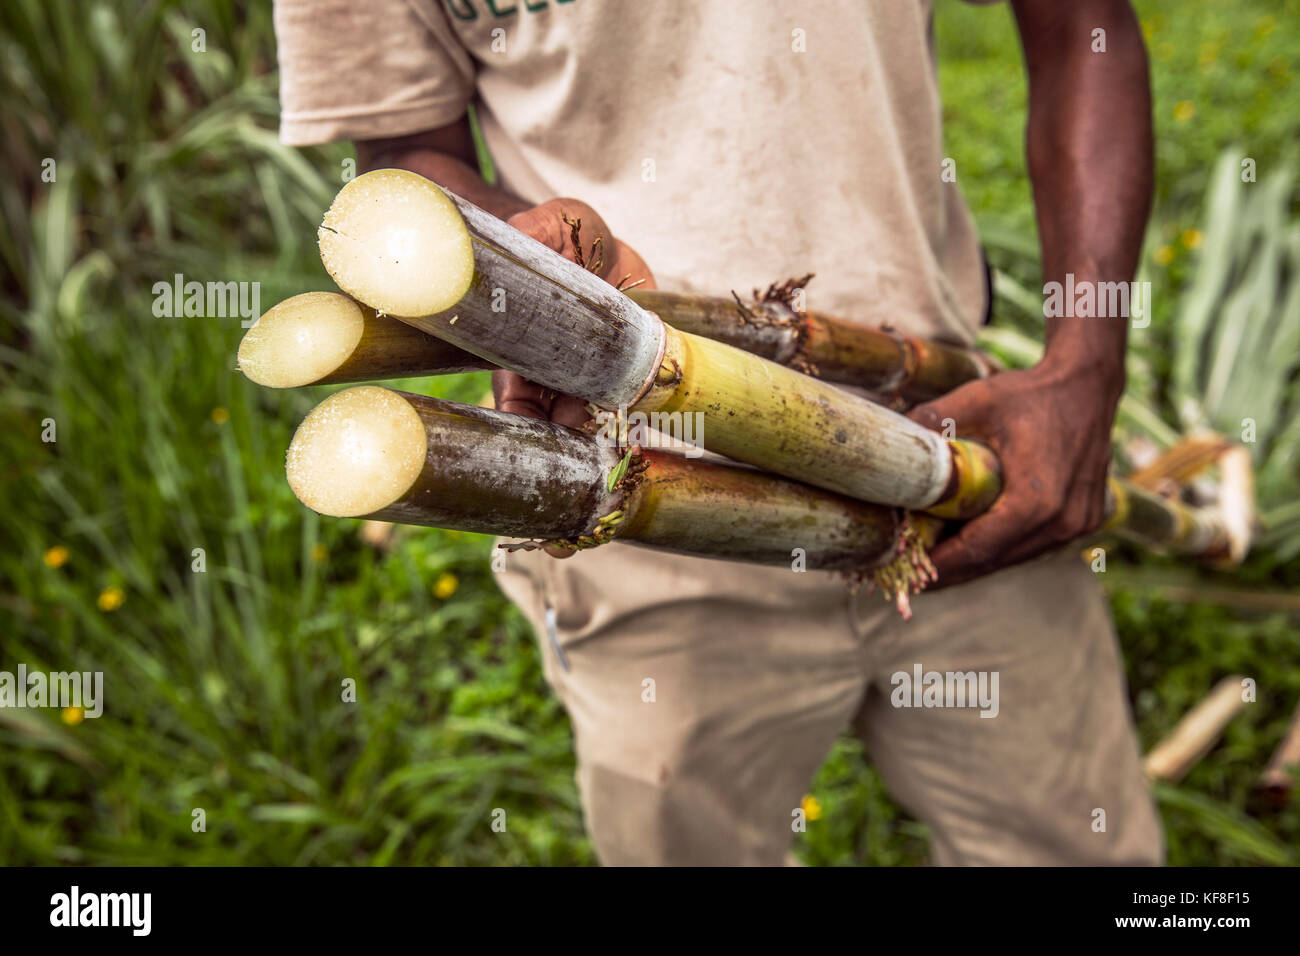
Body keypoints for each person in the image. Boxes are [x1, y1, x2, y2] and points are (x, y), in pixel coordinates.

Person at [275, 0, 1161, 865]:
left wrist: (1085, 368)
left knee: (1070, 844)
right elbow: (407, 150)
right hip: (639, 493)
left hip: (961, 452)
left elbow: (1084, 28)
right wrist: (528, 269)